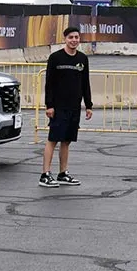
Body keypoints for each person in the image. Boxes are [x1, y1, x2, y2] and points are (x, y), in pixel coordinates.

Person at [40, 26, 94, 188]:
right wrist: (49, 105)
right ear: (65, 39)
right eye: (71, 37)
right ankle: (45, 174)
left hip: (74, 107)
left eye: (76, 37)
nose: (74, 40)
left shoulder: (83, 59)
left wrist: (88, 105)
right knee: (53, 139)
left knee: (67, 141)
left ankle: (63, 173)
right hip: (58, 107)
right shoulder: (55, 58)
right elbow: (49, 83)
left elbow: (85, 83)